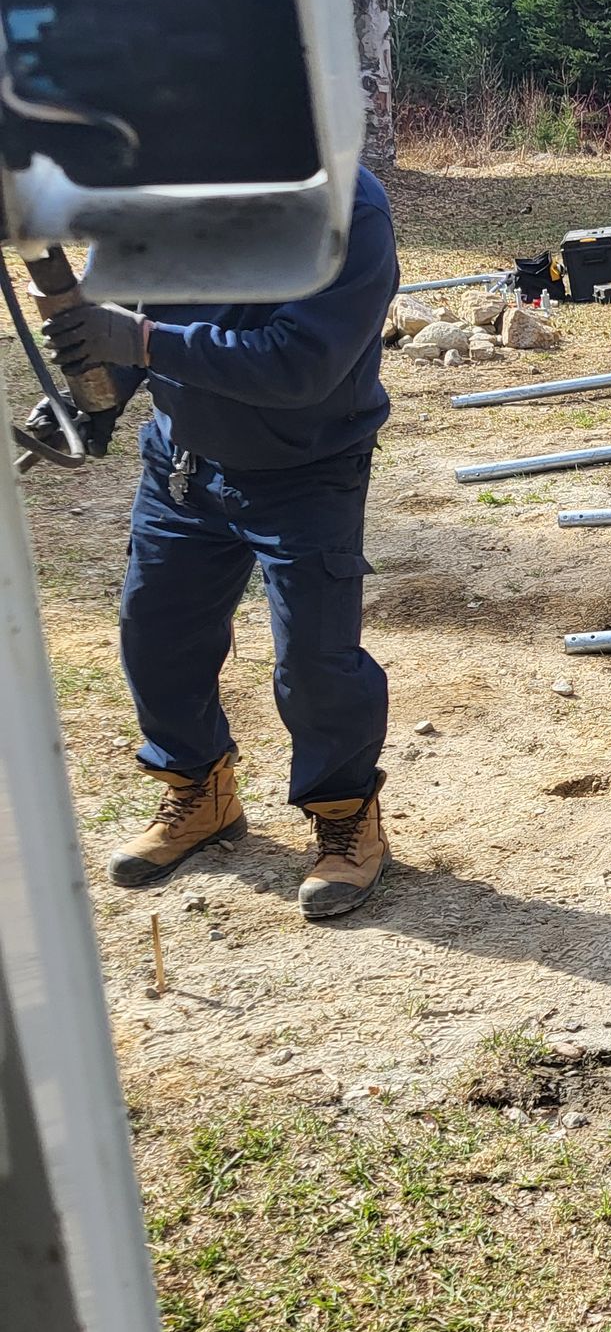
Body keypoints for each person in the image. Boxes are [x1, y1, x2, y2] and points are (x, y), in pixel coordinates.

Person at [36, 166, 400, 920]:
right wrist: (93, 393)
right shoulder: (174, 184)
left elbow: (298, 363)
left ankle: (346, 819)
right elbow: (143, 306)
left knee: (314, 660)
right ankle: (199, 794)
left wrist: (139, 342)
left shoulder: (347, 211)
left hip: (307, 470)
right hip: (183, 465)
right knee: (157, 635)